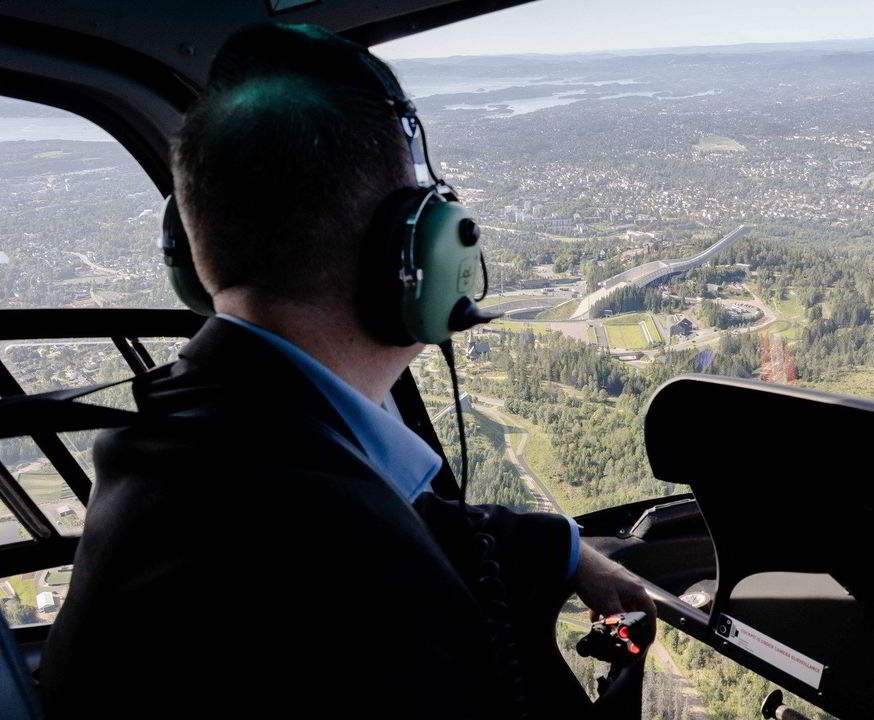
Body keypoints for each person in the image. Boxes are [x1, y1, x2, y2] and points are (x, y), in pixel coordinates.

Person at [40, 22, 655, 719]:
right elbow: (359, 546)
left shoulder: (191, 427)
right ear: (420, 252)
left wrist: (568, 550)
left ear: (188, 250)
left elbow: (382, 511)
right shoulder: (360, 578)